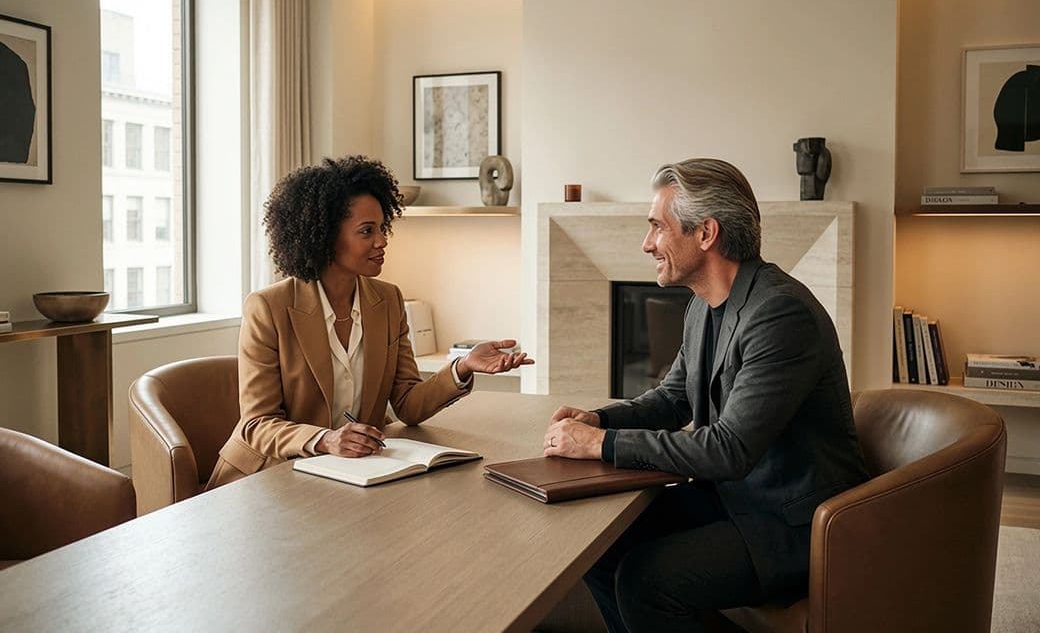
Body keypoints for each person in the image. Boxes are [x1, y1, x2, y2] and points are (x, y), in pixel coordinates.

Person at [543, 158, 869, 633]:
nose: (647, 243)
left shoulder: (780, 314)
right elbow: (673, 398)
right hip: (734, 501)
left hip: (791, 524)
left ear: (706, 233)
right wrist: (598, 421)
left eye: (657, 226)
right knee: (595, 546)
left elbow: (729, 448)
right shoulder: (704, 303)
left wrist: (599, 446)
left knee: (645, 579)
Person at [208, 156, 532, 488]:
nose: (382, 240)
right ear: (324, 236)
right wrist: (327, 439)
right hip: (265, 478)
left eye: (382, 228)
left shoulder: (388, 301)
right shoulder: (269, 308)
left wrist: (462, 366)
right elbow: (257, 424)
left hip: (346, 476)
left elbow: (407, 403)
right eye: (367, 231)